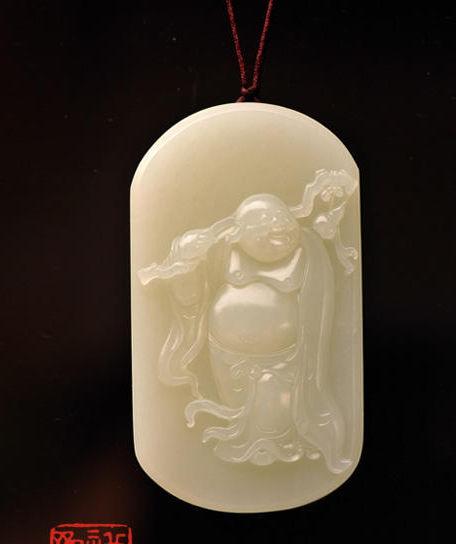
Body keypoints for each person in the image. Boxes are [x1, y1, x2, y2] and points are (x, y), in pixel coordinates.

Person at [139, 171, 357, 471]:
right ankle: (242, 458)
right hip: (227, 358)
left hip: (283, 362)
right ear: (241, 230)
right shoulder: (224, 249)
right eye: (267, 221)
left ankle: (282, 458)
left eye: (283, 217)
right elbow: (190, 299)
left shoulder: (308, 253)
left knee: (275, 422)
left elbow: (319, 306)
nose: (280, 226)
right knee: (238, 421)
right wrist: (185, 257)